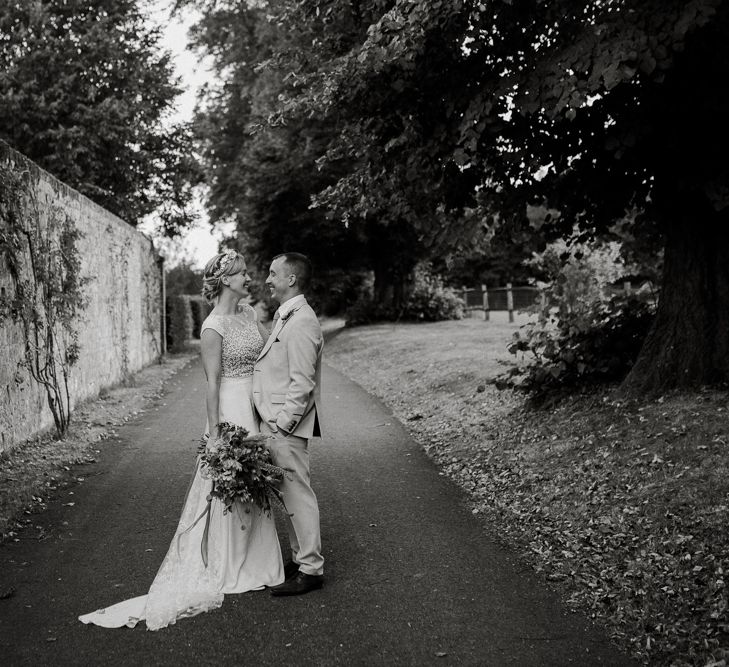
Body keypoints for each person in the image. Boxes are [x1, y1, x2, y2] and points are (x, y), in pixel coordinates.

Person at [79, 250, 284, 630]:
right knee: (233, 485)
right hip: (229, 410)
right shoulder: (212, 326)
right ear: (225, 280)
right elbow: (212, 382)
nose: (249, 279)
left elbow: (266, 357)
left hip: (255, 407)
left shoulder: (251, 314)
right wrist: (216, 433)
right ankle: (230, 563)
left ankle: (260, 561)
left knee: (257, 481)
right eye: (242, 274)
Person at [253, 252, 325, 596]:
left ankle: (311, 569)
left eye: (273, 273)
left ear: (291, 279)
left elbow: (302, 382)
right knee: (290, 494)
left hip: (287, 427)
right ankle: (300, 559)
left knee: (299, 494)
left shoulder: (302, 321)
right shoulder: (287, 316)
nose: (268, 279)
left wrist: (282, 426)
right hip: (277, 425)